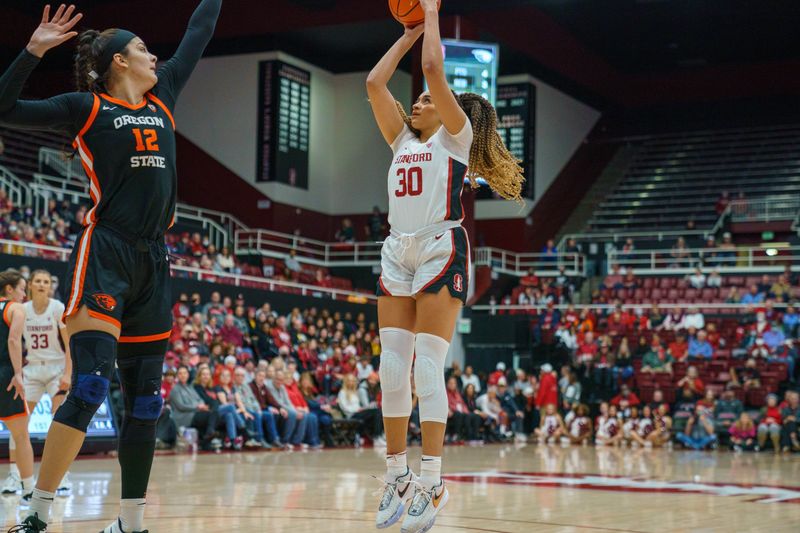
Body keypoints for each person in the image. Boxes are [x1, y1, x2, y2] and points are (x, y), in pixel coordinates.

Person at [0, 2, 223, 531]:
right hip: (105, 253)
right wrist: (32, 51)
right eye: (143, 49)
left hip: (154, 258)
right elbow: (5, 107)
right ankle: (38, 512)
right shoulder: (86, 107)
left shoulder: (163, 95)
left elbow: (201, 27)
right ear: (120, 62)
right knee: (91, 387)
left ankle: (129, 522)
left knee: (146, 402)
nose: (154, 56)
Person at [366, 2, 524, 530]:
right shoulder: (402, 140)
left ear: (453, 112)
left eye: (429, 100)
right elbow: (373, 82)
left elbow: (435, 70)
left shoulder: (455, 139)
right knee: (392, 369)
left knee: (428, 370)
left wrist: (431, 11)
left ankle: (433, 482)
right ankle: (397, 475)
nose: (419, 99)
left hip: (441, 247)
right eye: (419, 98)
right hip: (397, 247)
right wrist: (408, 35)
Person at [3, 271, 72, 498]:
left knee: (61, 424)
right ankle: (15, 475)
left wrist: (69, 373)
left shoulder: (58, 308)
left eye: (47, 281)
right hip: (31, 369)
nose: (43, 284)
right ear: (30, 285)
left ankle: (62, 476)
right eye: (39, 281)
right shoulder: (22, 308)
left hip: (56, 369)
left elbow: (70, 343)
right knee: (19, 426)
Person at [0, 271, 35, 503]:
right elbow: (13, 340)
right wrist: (19, 375)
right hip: (5, 374)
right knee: (21, 435)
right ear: (10, 289)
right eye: (22, 288)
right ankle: (29, 489)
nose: (25, 294)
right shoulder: (15, 309)